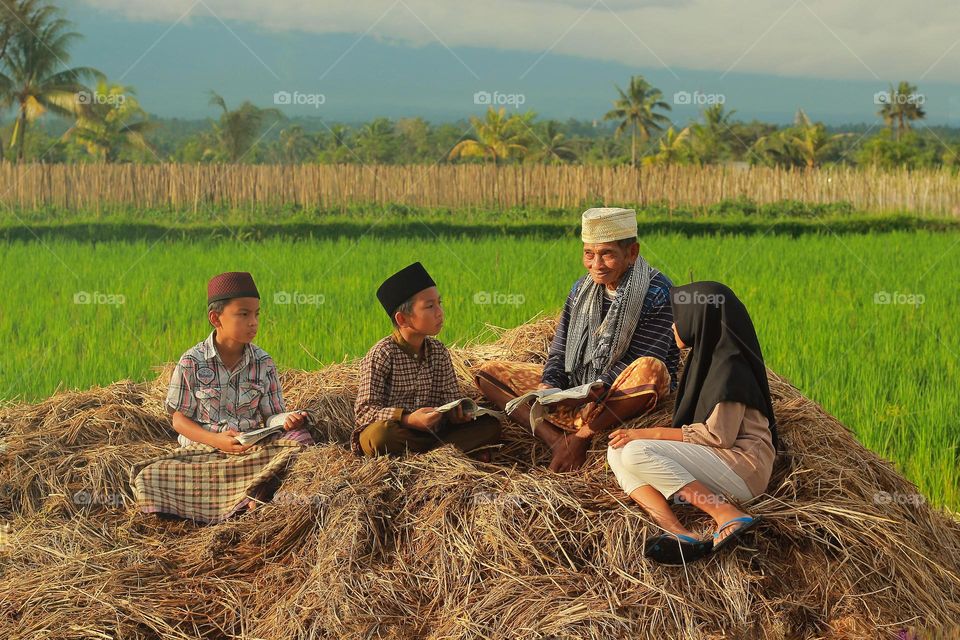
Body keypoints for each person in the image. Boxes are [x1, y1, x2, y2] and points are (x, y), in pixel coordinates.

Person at [475, 207, 679, 472]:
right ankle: (556, 440)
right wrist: (550, 386)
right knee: (489, 374)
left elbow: (639, 358)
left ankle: (583, 435)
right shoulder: (580, 290)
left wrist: (596, 389)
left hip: (622, 389)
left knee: (651, 368)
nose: (596, 264)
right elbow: (559, 352)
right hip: (580, 386)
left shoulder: (657, 291)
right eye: (589, 254)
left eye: (607, 254)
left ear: (632, 253)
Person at [606, 281, 777, 565]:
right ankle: (678, 532)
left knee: (636, 449)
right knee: (616, 451)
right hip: (721, 464)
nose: (673, 327)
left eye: (679, 318)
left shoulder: (731, 367)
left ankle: (727, 514)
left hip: (745, 468)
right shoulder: (706, 361)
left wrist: (644, 433)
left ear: (700, 317)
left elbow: (717, 437)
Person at [131, 272, 314, 522]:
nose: (254, 322)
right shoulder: (191, 362)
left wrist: (287, 419)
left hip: (250, 449)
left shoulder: (264, 363)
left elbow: (271, 416)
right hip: (205, 451)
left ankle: (247, 493)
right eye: (244, 314)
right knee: (149, 475)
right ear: (215, 318)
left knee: (300, 438)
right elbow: (179, 420)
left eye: (257, 314)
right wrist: (216, 440)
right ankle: (251, 493)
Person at [353, 262, 502, 459]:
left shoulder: (439, 352)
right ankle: (444, 455)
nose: (440, 312)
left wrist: (456, 415)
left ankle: (430, 456)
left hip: (433, 436)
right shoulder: (382, 354)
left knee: (489, 426)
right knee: (379, 436)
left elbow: (450, 399)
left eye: (439, 303)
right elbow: (364, 411)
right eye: (430, 306)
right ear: (402, 319)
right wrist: (407, 419)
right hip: (398, 434)